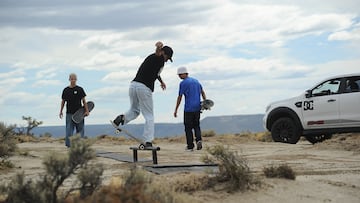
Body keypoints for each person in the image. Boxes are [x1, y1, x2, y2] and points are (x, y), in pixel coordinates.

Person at [112, 41, 173, 147]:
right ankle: (148, 141)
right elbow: (158, 54)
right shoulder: (158, 58)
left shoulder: (152, 60)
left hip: (133, 85)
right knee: (149, 116)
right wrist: (158, 47)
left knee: (134, 110)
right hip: (144, 88)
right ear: (164, 53)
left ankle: (122, 118)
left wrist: (161, 81)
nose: (167, 61)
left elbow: (155, 73)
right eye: (167, 58)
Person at [174, 66, 206, 151]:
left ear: (185, 74)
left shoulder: (183, 83)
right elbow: (202, 92)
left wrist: (176, 109)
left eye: (180, 75)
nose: (179, 76)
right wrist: (205, 102)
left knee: (188, 128)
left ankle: (190, 145)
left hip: (188, 109)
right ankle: (199, 140)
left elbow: (180, 97)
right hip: (197, 108)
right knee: (196, 126)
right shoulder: (196, 81)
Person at [59, 73, 89, 147]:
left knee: (80, 130)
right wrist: (61, 111)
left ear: (76, 79)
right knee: (69, 130)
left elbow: (84, 101)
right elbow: (63, 101)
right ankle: (69, 145)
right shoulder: (66, 90)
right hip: (69, 113)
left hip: (79, 113)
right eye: (72, 79)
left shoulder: (80, 89)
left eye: (74, 79)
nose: (73, 80)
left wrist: (87, 110)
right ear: (69, 79)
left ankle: (80, 145)